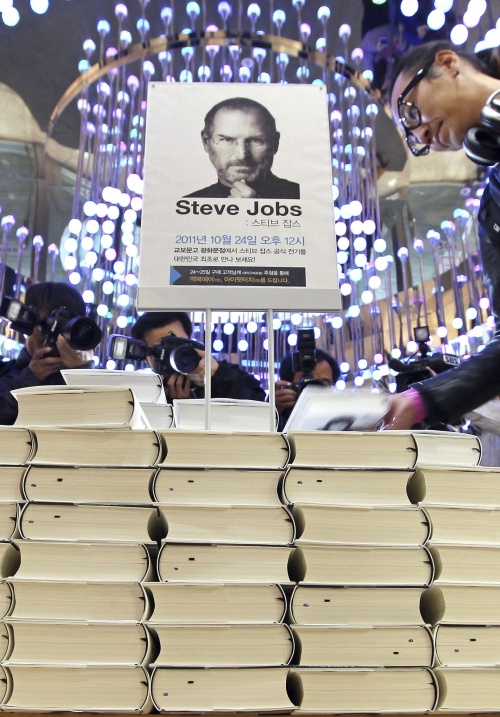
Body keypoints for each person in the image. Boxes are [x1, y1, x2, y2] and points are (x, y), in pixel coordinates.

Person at [384, 40, 500, 430]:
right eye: (410, 134)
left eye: (411, 111)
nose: (421, 134)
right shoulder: (494, 210)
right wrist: (425, 398)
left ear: (448, 62)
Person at [0, 282, 95, 425]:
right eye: (45, 324)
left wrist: (82, 374)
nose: (51, 334)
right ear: (26, 323)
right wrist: (30, 378)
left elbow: (101, 424)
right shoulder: (5, 373)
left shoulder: (95, 380)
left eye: (61, 326)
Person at [130, 311, 266, 402]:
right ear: (146, 358)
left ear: (190, 341)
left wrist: (217, 375)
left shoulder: (221, 372)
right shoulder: (142, 393)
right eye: (160, 349)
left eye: (177, 343)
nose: (171, 353)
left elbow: (259, 406)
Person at [184, 97, 300, 199]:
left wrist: (256, 210)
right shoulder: (187, 205)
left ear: (275, 143)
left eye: (255, 140)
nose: (242, 155)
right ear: (206, 142)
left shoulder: (303, 197)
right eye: (227, 139)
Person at [275, 349, 341, 430]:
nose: (316, 388)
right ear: (287, 386)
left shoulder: (342, 420)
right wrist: (271, 412)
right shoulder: (277, 418)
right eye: (308, 382)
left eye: (324, 382)